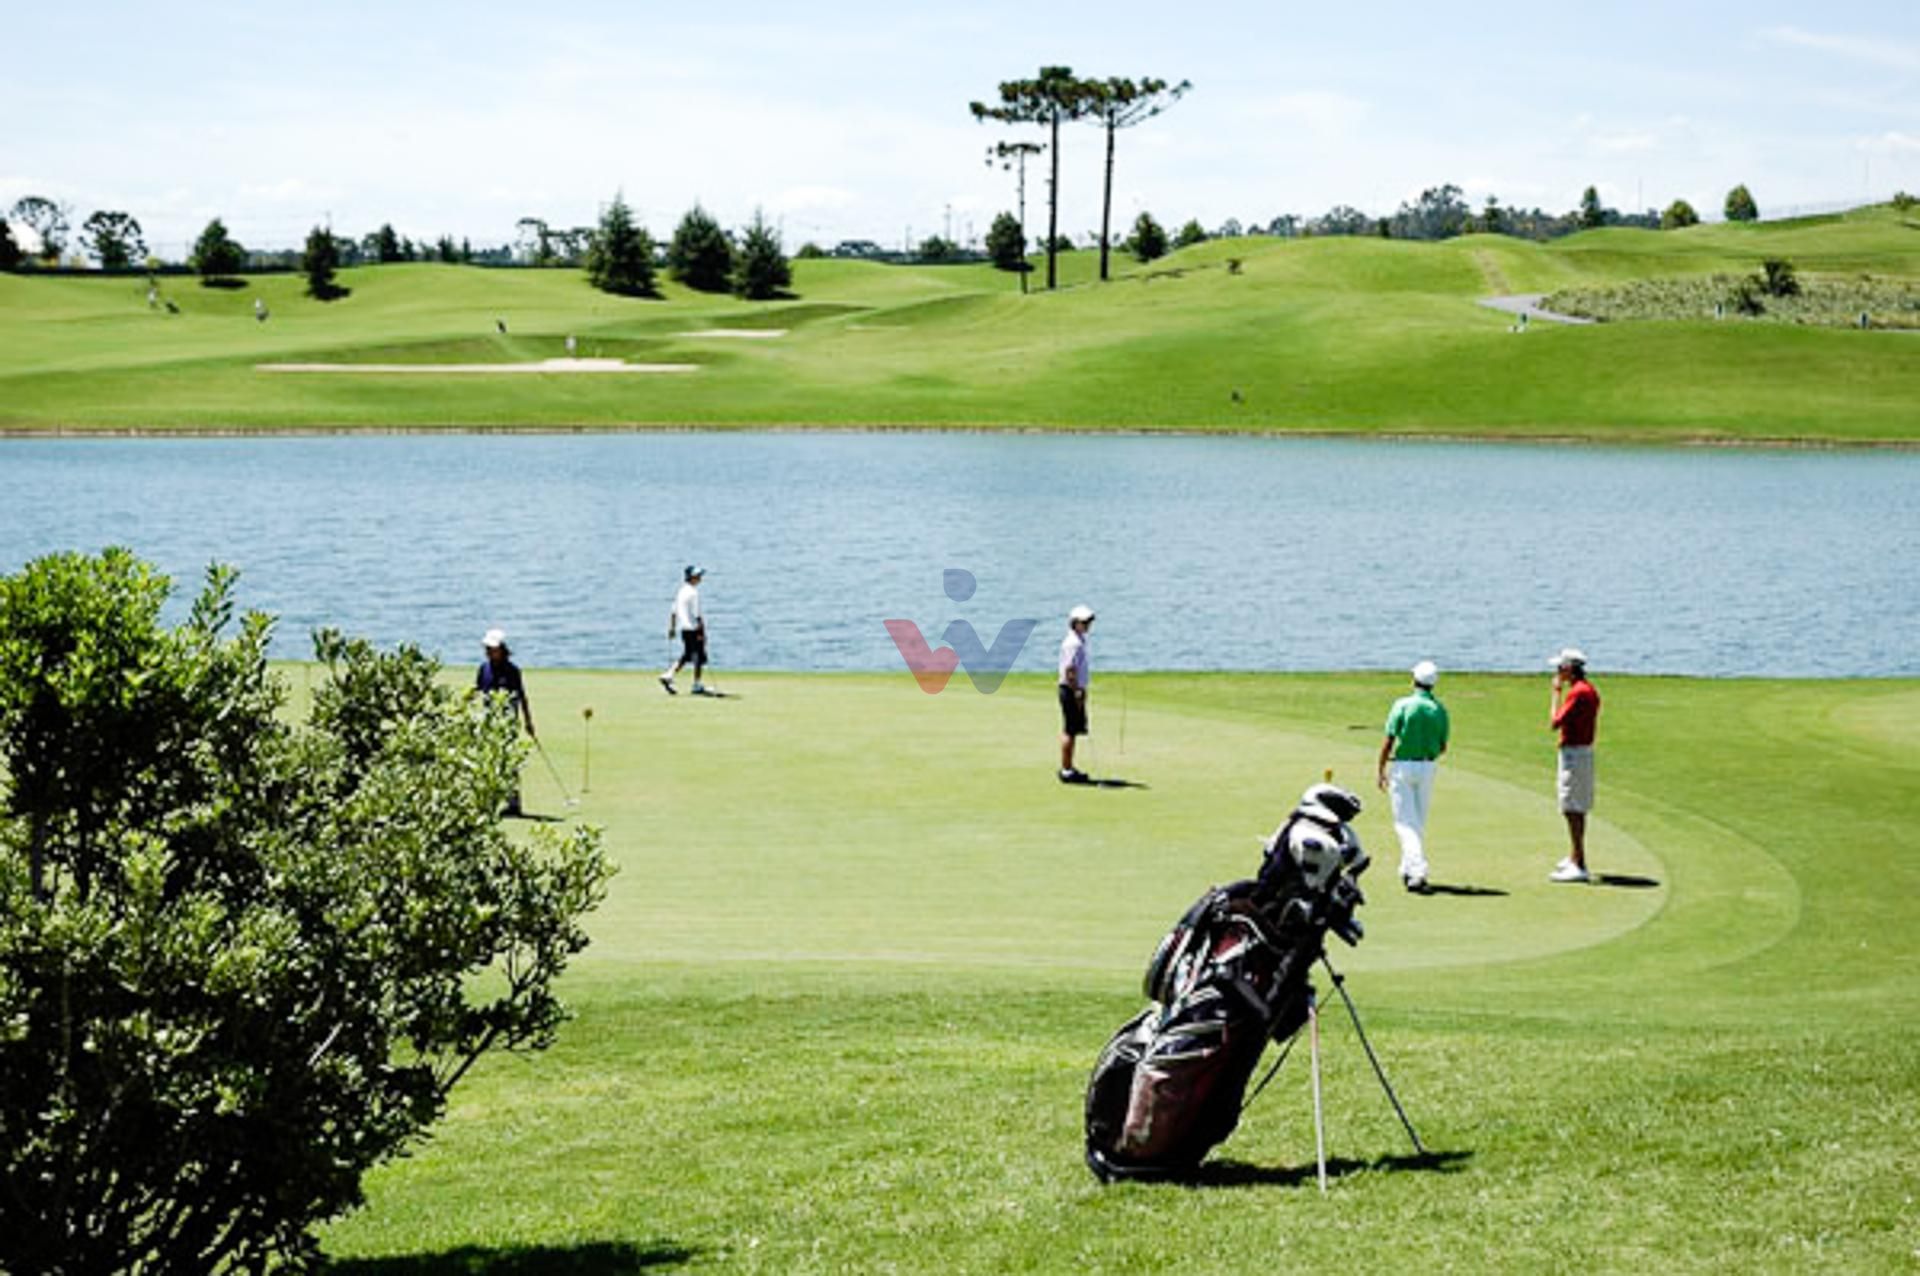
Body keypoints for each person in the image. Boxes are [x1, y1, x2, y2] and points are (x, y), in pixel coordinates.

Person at [1376, 660, 1449, 893]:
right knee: (1417, 821)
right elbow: (1443, 746)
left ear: (1414, 680)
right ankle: (1407, 869)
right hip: (1428, 767)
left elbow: (1389, 740)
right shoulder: (1439, 709)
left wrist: (1381, 769)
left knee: (1405, 823)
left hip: (1403, 767)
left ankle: (1417, 872)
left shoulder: (1402, 705)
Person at [1548, 647, 1601, 883]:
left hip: (1574, 754)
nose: (1557, 672)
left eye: (1560, 668)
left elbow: (1555, 721)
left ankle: (1579, 864)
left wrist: (1556, 692)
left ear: (1569, 669)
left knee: (1571, 808)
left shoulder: (1577, 693)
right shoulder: (1590, 690)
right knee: (1576, 806)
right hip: (1583, 752)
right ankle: (1574, 856)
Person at [475, 628, 535, 815]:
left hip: (507, 724)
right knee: (488, 762)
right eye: (487, 648)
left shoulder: (512, 671)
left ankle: (513, 803)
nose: (489, 652)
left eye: (492, 649)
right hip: (487, 723)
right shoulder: (483, 669)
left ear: (502, 649)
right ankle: (488, 802)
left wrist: (528, 722)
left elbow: (522, 697)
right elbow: (477, 691)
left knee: (509, 763)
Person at [1058, 604, 1095, 784]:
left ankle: (1069, 767)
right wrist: (1077, 691)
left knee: (1073, 729)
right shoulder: (1073, 643)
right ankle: (1067, 770)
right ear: (1075, 623)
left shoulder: (1079, 640)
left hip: (1073, 689)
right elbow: (1070, 671)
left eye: (1089, 622)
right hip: (1070, 689)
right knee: (1070, 730)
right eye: (1084, 622)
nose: (1088, 625)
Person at [660, 566, 709, 695]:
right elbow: (697, 615)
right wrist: (702, 632)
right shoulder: (693, 593)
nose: (700, 578)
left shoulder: (681, 591)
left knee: (687, 655)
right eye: (697, 576)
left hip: (684, 629)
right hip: (694, 629)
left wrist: (672, 628)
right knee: (698, 657)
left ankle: (669, 675)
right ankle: (696, 684)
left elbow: (673, 612)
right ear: (691, 578)